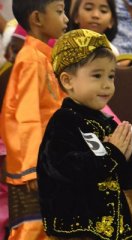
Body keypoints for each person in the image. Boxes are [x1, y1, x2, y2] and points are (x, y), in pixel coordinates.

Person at [37, 29, 132, 239]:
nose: (107, 84)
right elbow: (67, 168)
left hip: (112, 229)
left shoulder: (105, 123)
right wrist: (113, 152)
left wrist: (127, 156)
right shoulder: (65, 122)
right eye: (97, 75)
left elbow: (130, 181)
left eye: (111, 76)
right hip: (79, 230)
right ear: (68, 81)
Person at [0, 0, 68, 239]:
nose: (66, 19)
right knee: (32, 228)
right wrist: (30, 169)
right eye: (59, 12)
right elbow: (23, 117)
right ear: (37, 19)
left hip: (50, 160)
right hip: (35, 167)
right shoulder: (30, 59)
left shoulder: (45, 57)